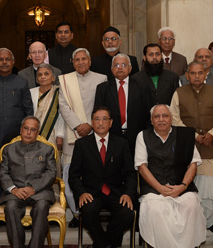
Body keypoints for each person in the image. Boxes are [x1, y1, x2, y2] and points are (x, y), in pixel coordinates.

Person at [135, 104, 207, 248]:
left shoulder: (185, 135)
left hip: (181, 186)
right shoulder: (143, 136)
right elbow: (142, 167)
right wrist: (160, 188)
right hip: (155, 189)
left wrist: (182, 186)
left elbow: (193, 165)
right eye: (157, 117)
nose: (161, 120)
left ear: (171, 118)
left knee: (190, 205)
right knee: (156, 209)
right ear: (151, 120)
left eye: (165, 116)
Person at [69, 107, 137, 248]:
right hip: (91, 192)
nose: (100, 122)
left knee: (127, 213)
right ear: (92, 122)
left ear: (111, 122)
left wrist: (128, 193)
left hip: (115, 192)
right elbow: (73, 175)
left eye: (104, 119)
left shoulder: (121, 144)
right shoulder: (81, 144)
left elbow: (130, 173)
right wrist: (81, 193)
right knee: (88, 211)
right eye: (97, 119)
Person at [170, 61, 213, 234]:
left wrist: (212, 134)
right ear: (187, 75)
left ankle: (210, 221)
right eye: (193, 73)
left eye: (200, 73)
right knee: (193, 186)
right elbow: (174, 119)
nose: (197, 76)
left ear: (206, 75)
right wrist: (195, 136)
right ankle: (193, 220)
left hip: (212, 147)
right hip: (189, 147)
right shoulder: (179, 93)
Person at [0, 116, 57, 248]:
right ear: (21, 129)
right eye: (26, 128)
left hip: (39, 190)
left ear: (37, 133)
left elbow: (51, 173)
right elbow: (3, 173)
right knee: (10, 208)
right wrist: (13, 189)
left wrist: (33, 188)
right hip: (16, 190)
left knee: (42, 207)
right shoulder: (9, 149)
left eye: (33, 130)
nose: (28, 132)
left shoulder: (47, 149)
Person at [58, 48, 107, 227]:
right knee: (70, 174)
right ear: (72, 62)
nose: (80, 62)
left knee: (93, 173)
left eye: (84, 59)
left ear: (90, 60)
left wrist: (90, 125)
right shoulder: (64, 80)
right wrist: (78, 125)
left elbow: (102, 104)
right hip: (73, 133)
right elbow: (63, 106)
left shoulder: (101, 79)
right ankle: (77, 213)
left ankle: (91, 209)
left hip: (97, 133)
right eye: (77, 59)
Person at [0, 48, 33, 191]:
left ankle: (17, 200)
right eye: (1, 59)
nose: (4, 62)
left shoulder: (22, 82)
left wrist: (27, 135)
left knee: (18, 171)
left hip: (17, 137)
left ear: (13, 62)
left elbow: (28, 111)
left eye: (7, 59)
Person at [94, 53, 148, 158]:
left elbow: (147, 112)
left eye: (123, 65)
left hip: (137, 136)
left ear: (130, 68)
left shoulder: (141, 87)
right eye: (116, 65)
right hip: (111, 136)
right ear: (111, 68)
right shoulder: (103, 88)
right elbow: (98, 113)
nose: (120, 68)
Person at [132, 43, 179, 124]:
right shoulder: (136, 79)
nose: (154, 57)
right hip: (143, 124)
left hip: (168, 123)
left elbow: (176, 104)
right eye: (150, 54)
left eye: (157, 54)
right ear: (144, 58)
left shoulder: (172, 77)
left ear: (161, 56)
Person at [30, 63, 64, 166]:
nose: (43, 77)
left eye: (46, 74)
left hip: (52, 134)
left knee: (51, 164)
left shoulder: (59, 92)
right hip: (34, 134)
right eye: (40, 75)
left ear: (53, 78)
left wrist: (60, 135)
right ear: (37, 79)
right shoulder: (31, 92)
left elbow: (62, 116)